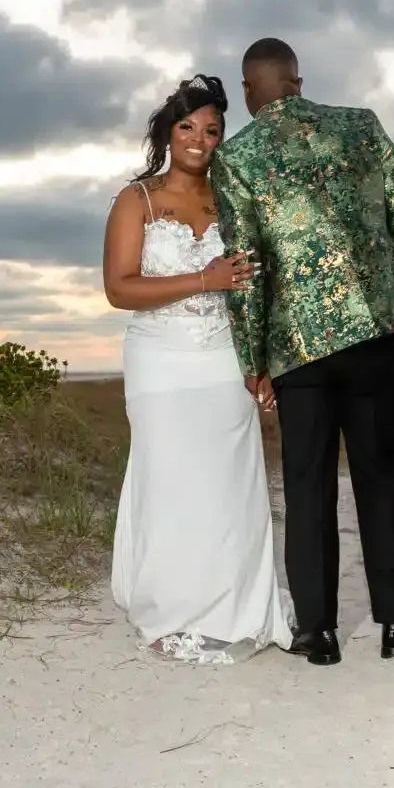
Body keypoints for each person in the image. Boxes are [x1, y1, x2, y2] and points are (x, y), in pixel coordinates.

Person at [211, 38, 394, 667]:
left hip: (298, 350)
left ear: (248, 90)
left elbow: (247, 270)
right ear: (296, 80)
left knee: (308, 487)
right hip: (373, 337)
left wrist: (252, 358)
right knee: (381, 478)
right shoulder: (360, 127)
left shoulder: (236, 158)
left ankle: (317, 631)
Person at [101, 74, 294, 665]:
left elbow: (261, 289)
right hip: (159, 361)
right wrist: (204, 278)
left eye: (212, 130)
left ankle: (235, 606)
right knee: (172, 483)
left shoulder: (233, 200)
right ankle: (172, 609)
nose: (200, 139)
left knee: (230, 488)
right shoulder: (138, 200)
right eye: (188, 126)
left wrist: (261, 365)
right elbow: (119, 287)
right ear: (167, 131)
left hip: (224, 359)